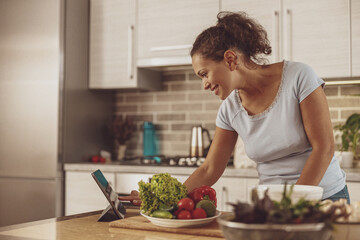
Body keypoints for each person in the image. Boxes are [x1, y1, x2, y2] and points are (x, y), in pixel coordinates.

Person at [119, 11, 349, 205]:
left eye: (204, 73)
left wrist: (293, 205)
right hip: (273, 207)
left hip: (324, 199)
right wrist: (163, 199)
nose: (205, 84)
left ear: (230, 59)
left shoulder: (299, 77)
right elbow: (210, 169)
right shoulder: (229, 110)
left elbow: (324, 148)